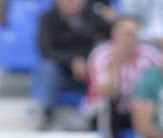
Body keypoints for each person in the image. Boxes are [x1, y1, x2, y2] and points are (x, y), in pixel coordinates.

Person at [84, 16, 162, 138]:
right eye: (126, 34)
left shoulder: (151, 56)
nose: (130, 39)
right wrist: (116, 65)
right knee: (105, 105)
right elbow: (106, 91)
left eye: (133, 34)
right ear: (115, 34)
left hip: (138, 109)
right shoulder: (100, 55)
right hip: (107, 109)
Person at [35, 0, 111, 130]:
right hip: (61, 69)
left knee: (104, 54)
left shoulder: (90, 14)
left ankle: (103, 112)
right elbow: (45, 50)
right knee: (47, 68)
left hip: (89, 69)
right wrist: (72, 61)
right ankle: (47, 113)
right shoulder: (48, 18)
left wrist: (112, 18)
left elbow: (114, 33)